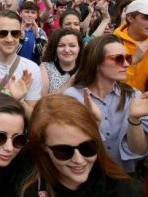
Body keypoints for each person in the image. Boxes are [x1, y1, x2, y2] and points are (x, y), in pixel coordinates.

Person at [19, 95, 137, 196]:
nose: (79, 160)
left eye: (87, 147)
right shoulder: (26, 183)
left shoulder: (120, 188)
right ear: (43, 146)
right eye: (63, 151)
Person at [64, 34, 148, 173]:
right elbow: (68, 145)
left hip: (124, 178)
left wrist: (134, 119)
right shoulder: (72, 97)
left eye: (127, 58)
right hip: (84, 176)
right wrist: (92, 124)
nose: (127, 64)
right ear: (96, 62)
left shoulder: (134, 96)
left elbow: (139, 150)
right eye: (119, 59)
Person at [114, 0, 148, 92]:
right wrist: (133, 61)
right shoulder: (112, 43)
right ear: (130, 18)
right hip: (120, 102)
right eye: (146, 18)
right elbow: (112, 86)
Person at [40, 28, 83, 96]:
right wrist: (68, 84)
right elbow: (42, 99)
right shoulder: (45, 67)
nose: (67, 50)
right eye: (61, 45)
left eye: (72, 46)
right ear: (55, 48)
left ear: (79, 48)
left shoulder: (85, 68)